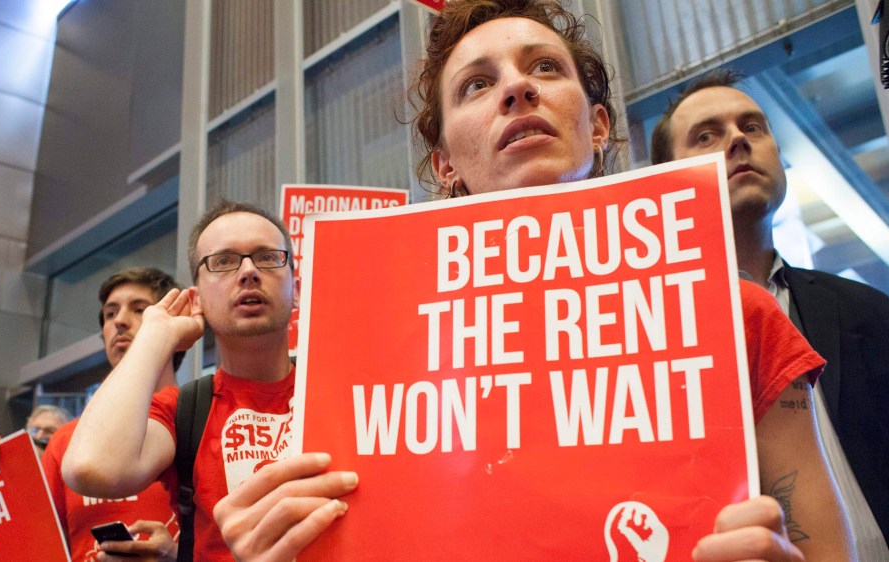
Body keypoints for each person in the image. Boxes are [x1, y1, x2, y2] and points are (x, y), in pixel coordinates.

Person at [209, 1, 855, 561]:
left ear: (598, 126)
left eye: (544, 67)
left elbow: (825, 545)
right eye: (476, 85)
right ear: (445, 167)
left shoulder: (731, 311)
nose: (517, 89)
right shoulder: (365, 360)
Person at [650, 68, 889, 557]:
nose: (738, 139)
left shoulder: (870, 311)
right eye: (706, 136)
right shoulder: (653, 337)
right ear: (669, 181)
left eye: (752, 126)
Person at [61, 201, 323, 560]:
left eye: (267, 257)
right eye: (224, 261)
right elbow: (91, 468)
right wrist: (156, 334)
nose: (248, 271)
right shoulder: (182, 410)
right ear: (196, 298)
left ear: (295, 289)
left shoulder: (340, 387)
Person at [0, 267, 183, 562]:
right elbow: (36, 547)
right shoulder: (67, 440)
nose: (120, 321)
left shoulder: (200, 421)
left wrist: (177, 558)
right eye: (110, 314)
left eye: (140, 310)